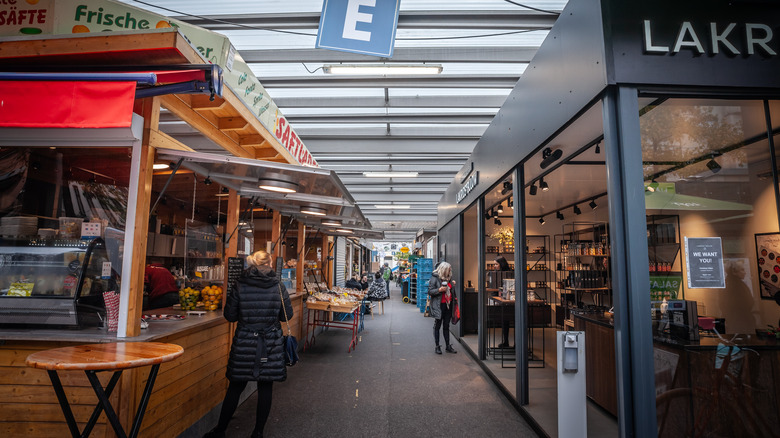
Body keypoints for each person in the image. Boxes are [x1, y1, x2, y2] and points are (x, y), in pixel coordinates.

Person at [205, 250, 293, 438]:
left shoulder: (240, 284)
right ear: (269, 264)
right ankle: (258, 432)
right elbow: (287, 316)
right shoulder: (278, 285)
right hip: (270, 341)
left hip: (245, 339)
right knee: (265, 386)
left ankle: (220, 431)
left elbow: (230, 315)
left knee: (236, 386)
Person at [428, 261, 457, 354]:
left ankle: (448, 346)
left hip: (448, 305)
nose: (450, 271)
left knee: (446, 326)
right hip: (439, 305)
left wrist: (452, 285)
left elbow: (451, 291)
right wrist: (439, 290)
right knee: (437, 325)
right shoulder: (435, 278)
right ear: (444, 270)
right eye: (449, 269)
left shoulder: (449, 278)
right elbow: (430, 291)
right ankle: (437, 346)